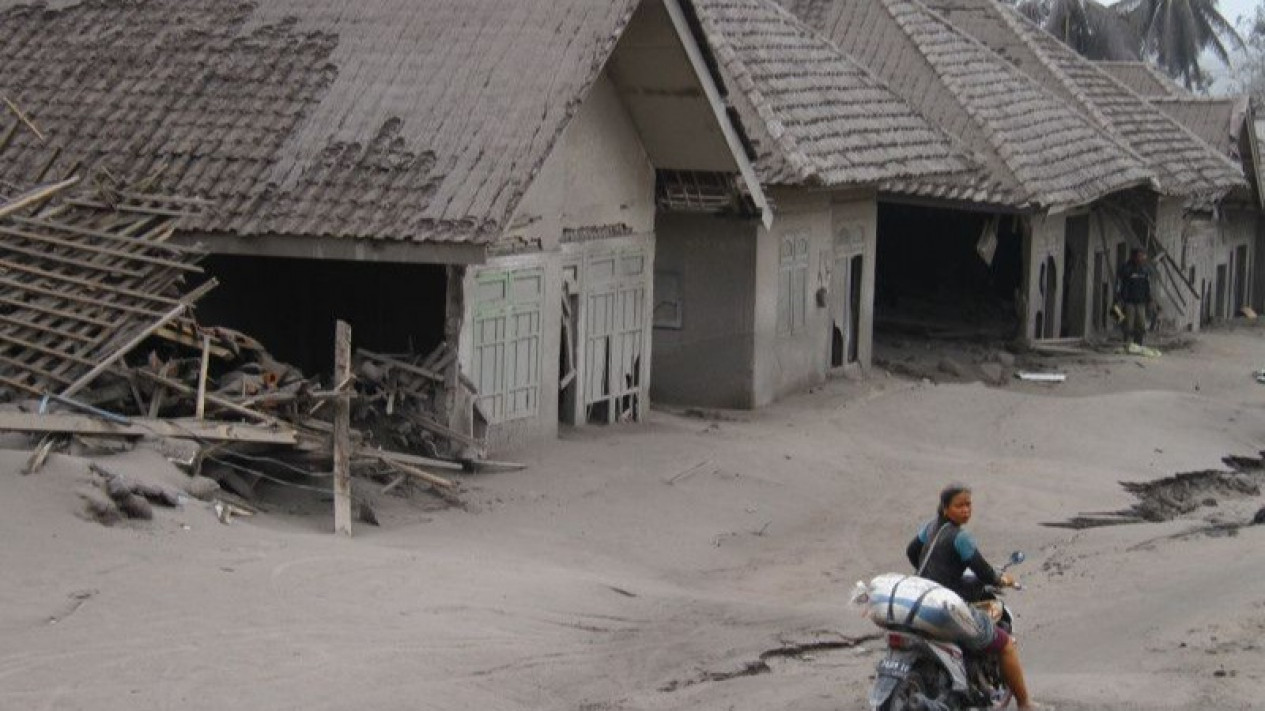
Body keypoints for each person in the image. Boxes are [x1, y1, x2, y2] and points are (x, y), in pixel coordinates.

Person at [905, 484, 1038, 710]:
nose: (966, 510)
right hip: (945, 605)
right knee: (1005, 644)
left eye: (968, 505)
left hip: (923, 596)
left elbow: (911, 551)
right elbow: (983, 572)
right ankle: (1025, 703)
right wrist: (1001, 579)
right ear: (945, 508)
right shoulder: (960, 537)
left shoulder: (929, 528)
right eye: (959, 505)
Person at [1115, 248, 1155, 346]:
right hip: (1128, 301)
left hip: (1141, 301)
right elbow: (1119, 284)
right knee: (1129, 324)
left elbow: (1148, 286)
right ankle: (1127, 343)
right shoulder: (1126, 269)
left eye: (1143, 256)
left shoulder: (1145, 270)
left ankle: (1138, 344)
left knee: (1141, 323)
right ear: (1134, 257)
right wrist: (1119, 298)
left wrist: (1150, 299)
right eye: (1139, 256)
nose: (1142, 258)